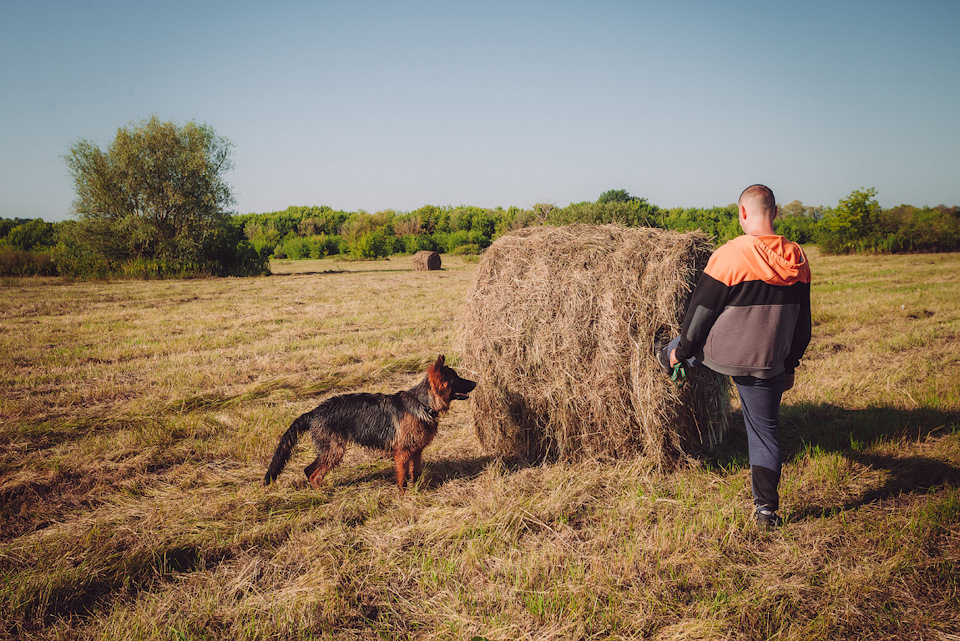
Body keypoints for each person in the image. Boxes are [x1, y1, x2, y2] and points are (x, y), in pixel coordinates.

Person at [658, 184, 811, 528]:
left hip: (723, 353)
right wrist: (790, 365)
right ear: (776, 211)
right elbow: (804, 324)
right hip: (769, 361)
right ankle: (767, 512)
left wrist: (679, 352)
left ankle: (666, 361)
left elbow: (700, 316)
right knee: (764, 433)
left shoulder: (730, 254)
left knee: (680, 347)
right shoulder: (798, 258)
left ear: (743, 213)